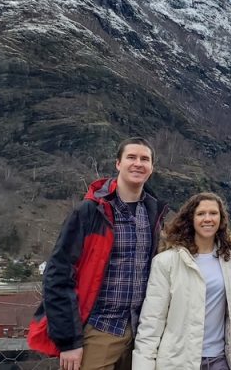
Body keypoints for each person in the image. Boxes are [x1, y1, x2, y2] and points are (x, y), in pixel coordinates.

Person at [28, 138, 169, 370]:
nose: (138, 163)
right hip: (98, 329)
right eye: (131, 157)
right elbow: (58, 274)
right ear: (118, 164)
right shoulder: (91, 211)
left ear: (152, 167)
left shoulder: (154, 213)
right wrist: (69, 341)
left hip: (140, 334)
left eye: (145, 159)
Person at [132, 192, 231, 370]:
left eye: (213, 213)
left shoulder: (228, 260)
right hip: (179, 361)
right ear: (190, 218)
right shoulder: (167, 262)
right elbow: (151, 322)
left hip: (219, 360)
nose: (208, 219)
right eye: (200, 214)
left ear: (221, 219)